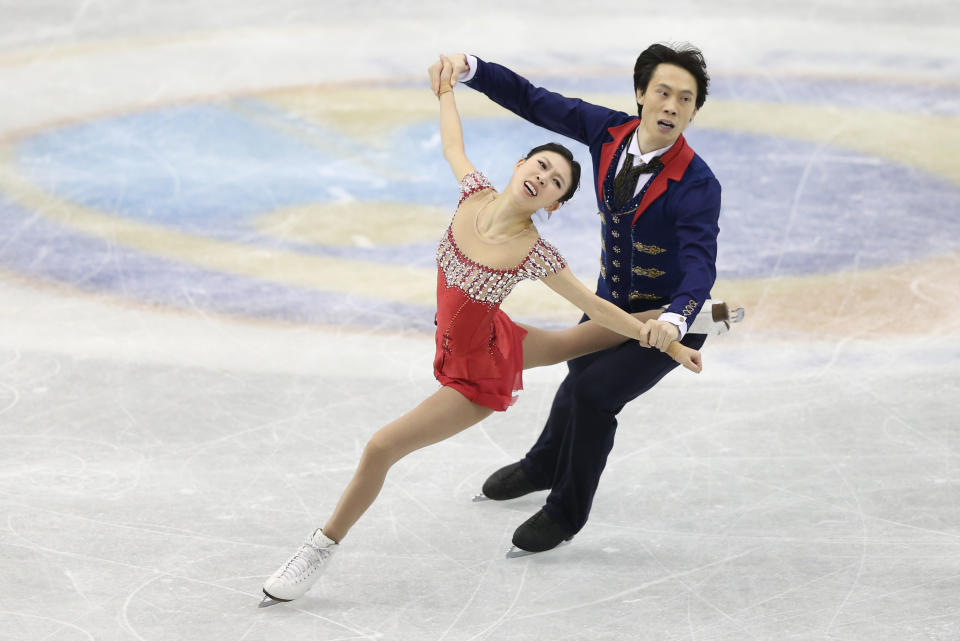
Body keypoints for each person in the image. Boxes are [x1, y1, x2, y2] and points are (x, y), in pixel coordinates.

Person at [259, 56, 707, 605]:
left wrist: (670, 332)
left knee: (381, 447)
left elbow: (593, 303)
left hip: (476, 372)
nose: (542, 177)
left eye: (555, 183)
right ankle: (711, 317)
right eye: (540, 165)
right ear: (521, 163)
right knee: (573, 345)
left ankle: (319, 548)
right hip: (497, 332)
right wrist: (452, 83)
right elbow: (455, 143)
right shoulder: (473, 192)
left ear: (554, 206)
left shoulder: (534, 251)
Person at [428, 43, 723, 553]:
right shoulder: (608, 133)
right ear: (641, 95)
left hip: (672, 315)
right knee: (578, 375)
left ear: (695, 110)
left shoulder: (698, 184)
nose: (672, 106)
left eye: (686, 98)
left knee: (594, 395)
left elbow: (700, 265)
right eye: (663, 92)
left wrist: (675, 321)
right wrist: (471, 70)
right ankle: (544, 462)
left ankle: (566, 512)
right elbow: (533, 99)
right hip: (609, 302)